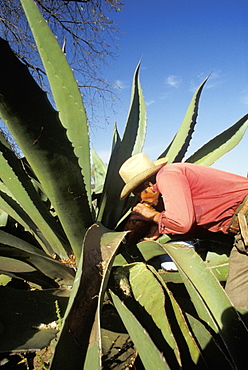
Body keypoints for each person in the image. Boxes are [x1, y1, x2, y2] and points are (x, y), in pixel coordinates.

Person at [119, 152, 248, 310]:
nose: (140, 201)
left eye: (138, 194)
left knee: (237, 304)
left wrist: (152, 216)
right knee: (238, 301)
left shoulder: (167, 175)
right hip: (241, 231)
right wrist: (159, 227)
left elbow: (183, 223)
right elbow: (195, 222)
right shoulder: (175, 176)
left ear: (149, 186)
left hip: (245, 219)